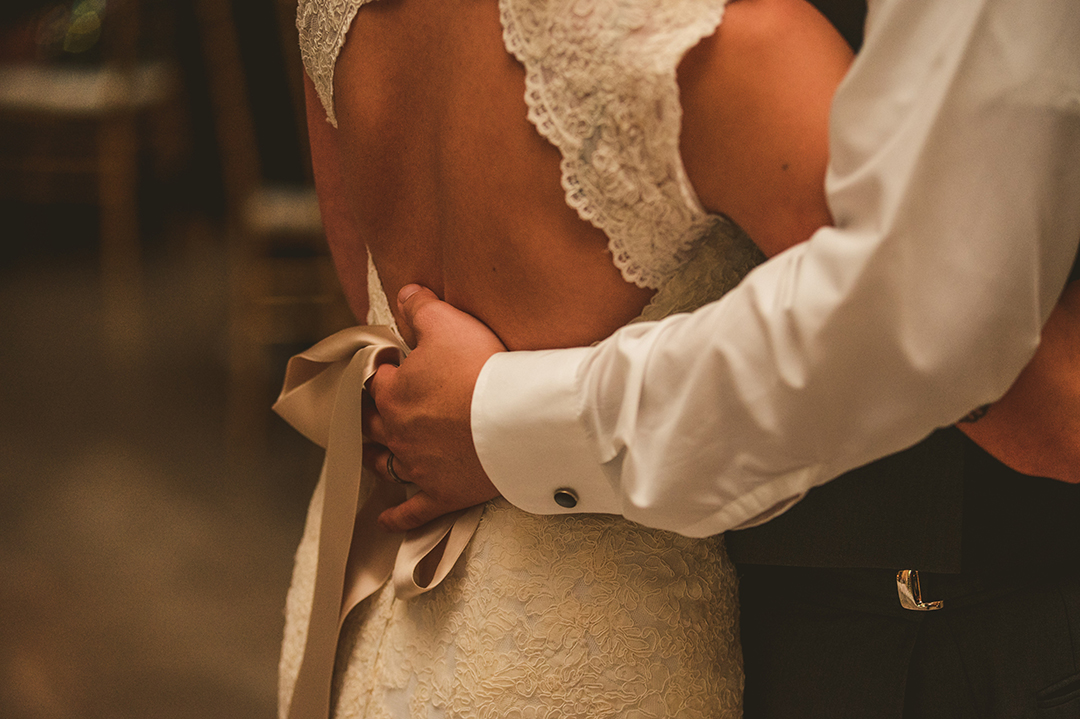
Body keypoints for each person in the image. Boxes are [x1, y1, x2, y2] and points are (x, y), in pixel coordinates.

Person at [363, 0, 1080, 716]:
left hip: (401, 623)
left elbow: (960, 343)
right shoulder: (738, 41)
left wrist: (503, 420)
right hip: (762, 632)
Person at [275, 0, 856, 717]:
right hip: (590, 654)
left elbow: (362, 284)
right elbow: (897, 346)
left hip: (357, 606)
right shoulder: (722, 30)